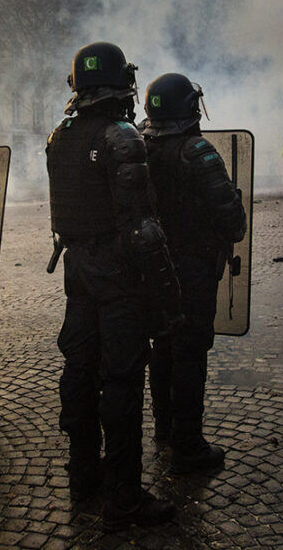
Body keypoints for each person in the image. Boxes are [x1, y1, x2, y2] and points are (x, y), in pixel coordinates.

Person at [46, 41, 180, 528]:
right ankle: (123, 495)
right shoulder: (122, 136)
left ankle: (83, 478)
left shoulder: (60, 136)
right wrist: (168, 293)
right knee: (121, 378)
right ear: (121, 83)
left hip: (76, 268)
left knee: (79, 370)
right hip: (117, 273)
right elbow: (142, 228)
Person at [140, 72, 246, 473]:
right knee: (188, 354)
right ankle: (187, 446)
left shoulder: (140, 150)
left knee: (162, 346)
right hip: (194, 270)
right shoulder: (198, 153)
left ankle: (165, 429)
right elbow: (232, 219)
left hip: (155, 267)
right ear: (189, 107)